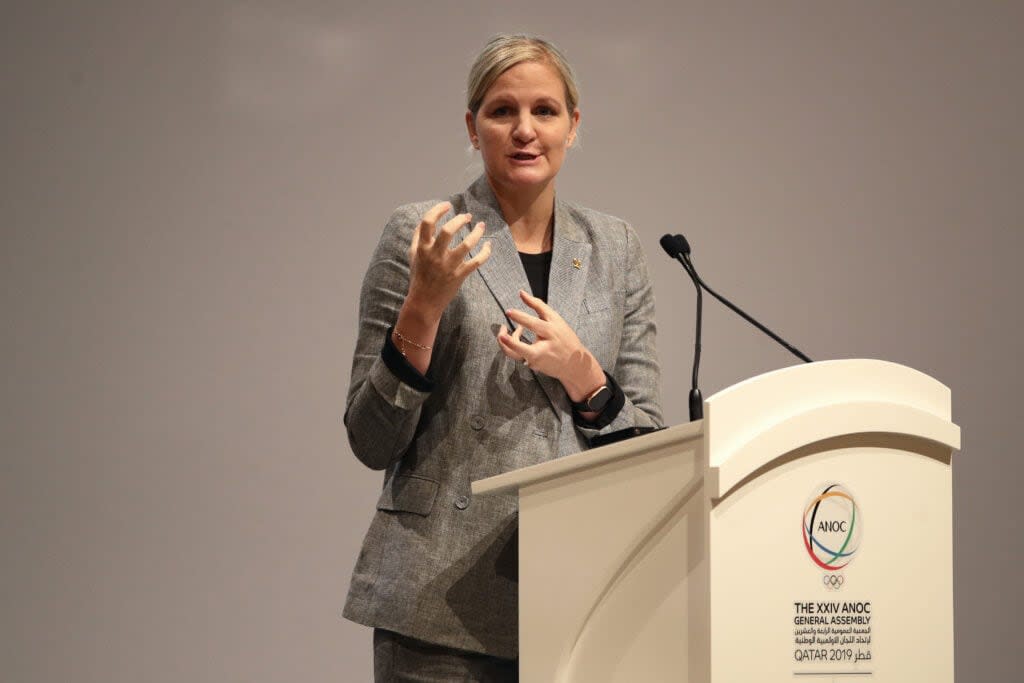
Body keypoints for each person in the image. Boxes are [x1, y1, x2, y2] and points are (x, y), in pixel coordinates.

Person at [342, 34, 663, 682]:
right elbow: (370, 437)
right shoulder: (423, 231)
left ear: (574, 125)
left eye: (545, 111)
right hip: (437, 599)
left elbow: (650, 444)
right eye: (501, 110)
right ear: (472, 125)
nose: (524, 130)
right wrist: (424, 305)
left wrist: (583, 373)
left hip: (578, 598)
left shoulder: (616, 248)